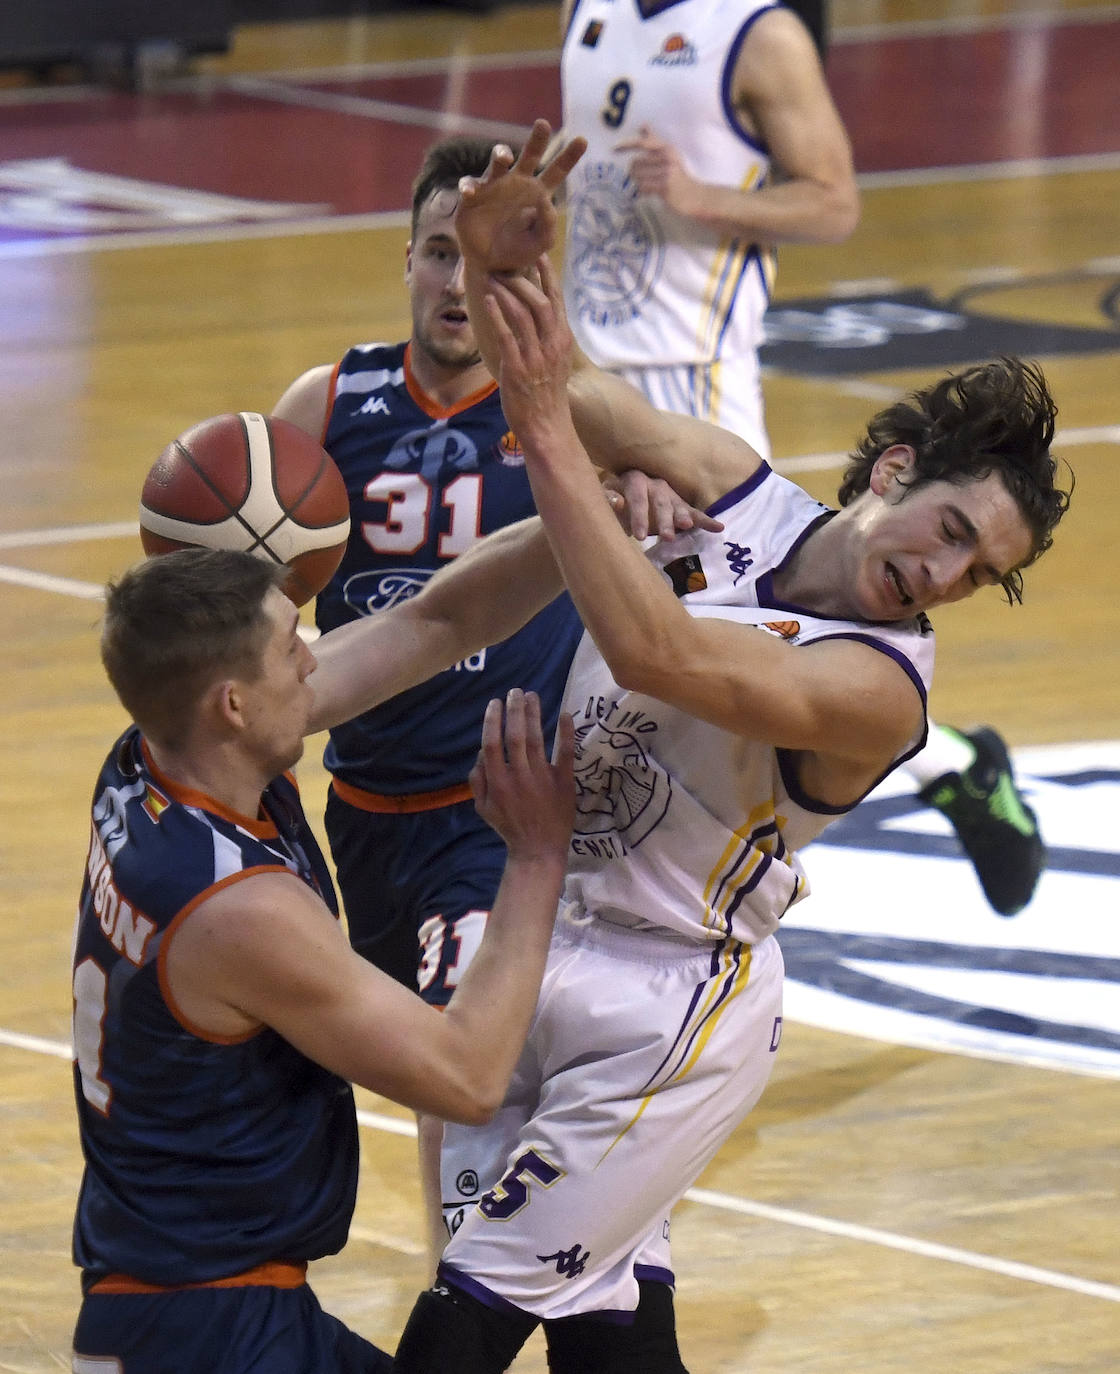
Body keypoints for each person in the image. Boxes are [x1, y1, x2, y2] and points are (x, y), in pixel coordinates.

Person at [389, 126, 1071, 1373]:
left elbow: (658, 652)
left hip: (668, 999)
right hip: (534, 925)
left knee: (467, 1314)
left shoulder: (880, 693)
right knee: (605, 1332)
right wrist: (500, 280)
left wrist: (561, 446)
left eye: (982, 572)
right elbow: (562, 387)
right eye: (953, 531)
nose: (948, 574)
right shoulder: (732, 486)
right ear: (897, 468)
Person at [269, 134, 715, 1268]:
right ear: (406, 259)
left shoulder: (574, 415)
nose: (453, 286)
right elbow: (264, 616)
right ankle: (543, 1272)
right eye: (433, 255)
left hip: (499, 806)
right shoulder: (325, 404)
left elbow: (699, 491)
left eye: (475, 265)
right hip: (367, 811)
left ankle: (469, 1299)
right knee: (433, 1069)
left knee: (462, 1078)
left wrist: (652, 488)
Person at [558, 0, 1043, 916]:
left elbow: (834, 200)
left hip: (690, 384)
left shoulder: (756, 32)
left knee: (696, 654)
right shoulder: (590, 8)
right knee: (567, 616)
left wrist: (703, 198)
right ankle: (954, 764)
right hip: (597, 351)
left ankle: (922, 775)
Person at [70, 536, 578, 1373]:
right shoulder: (237, 910)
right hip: (206, 1332)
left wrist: (575, 515)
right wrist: (534, 858)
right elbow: (468, 1076)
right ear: (232, 703)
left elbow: (435, 620)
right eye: (290, 645)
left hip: (198, 1302)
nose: (313, 662)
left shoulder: (155, 758)